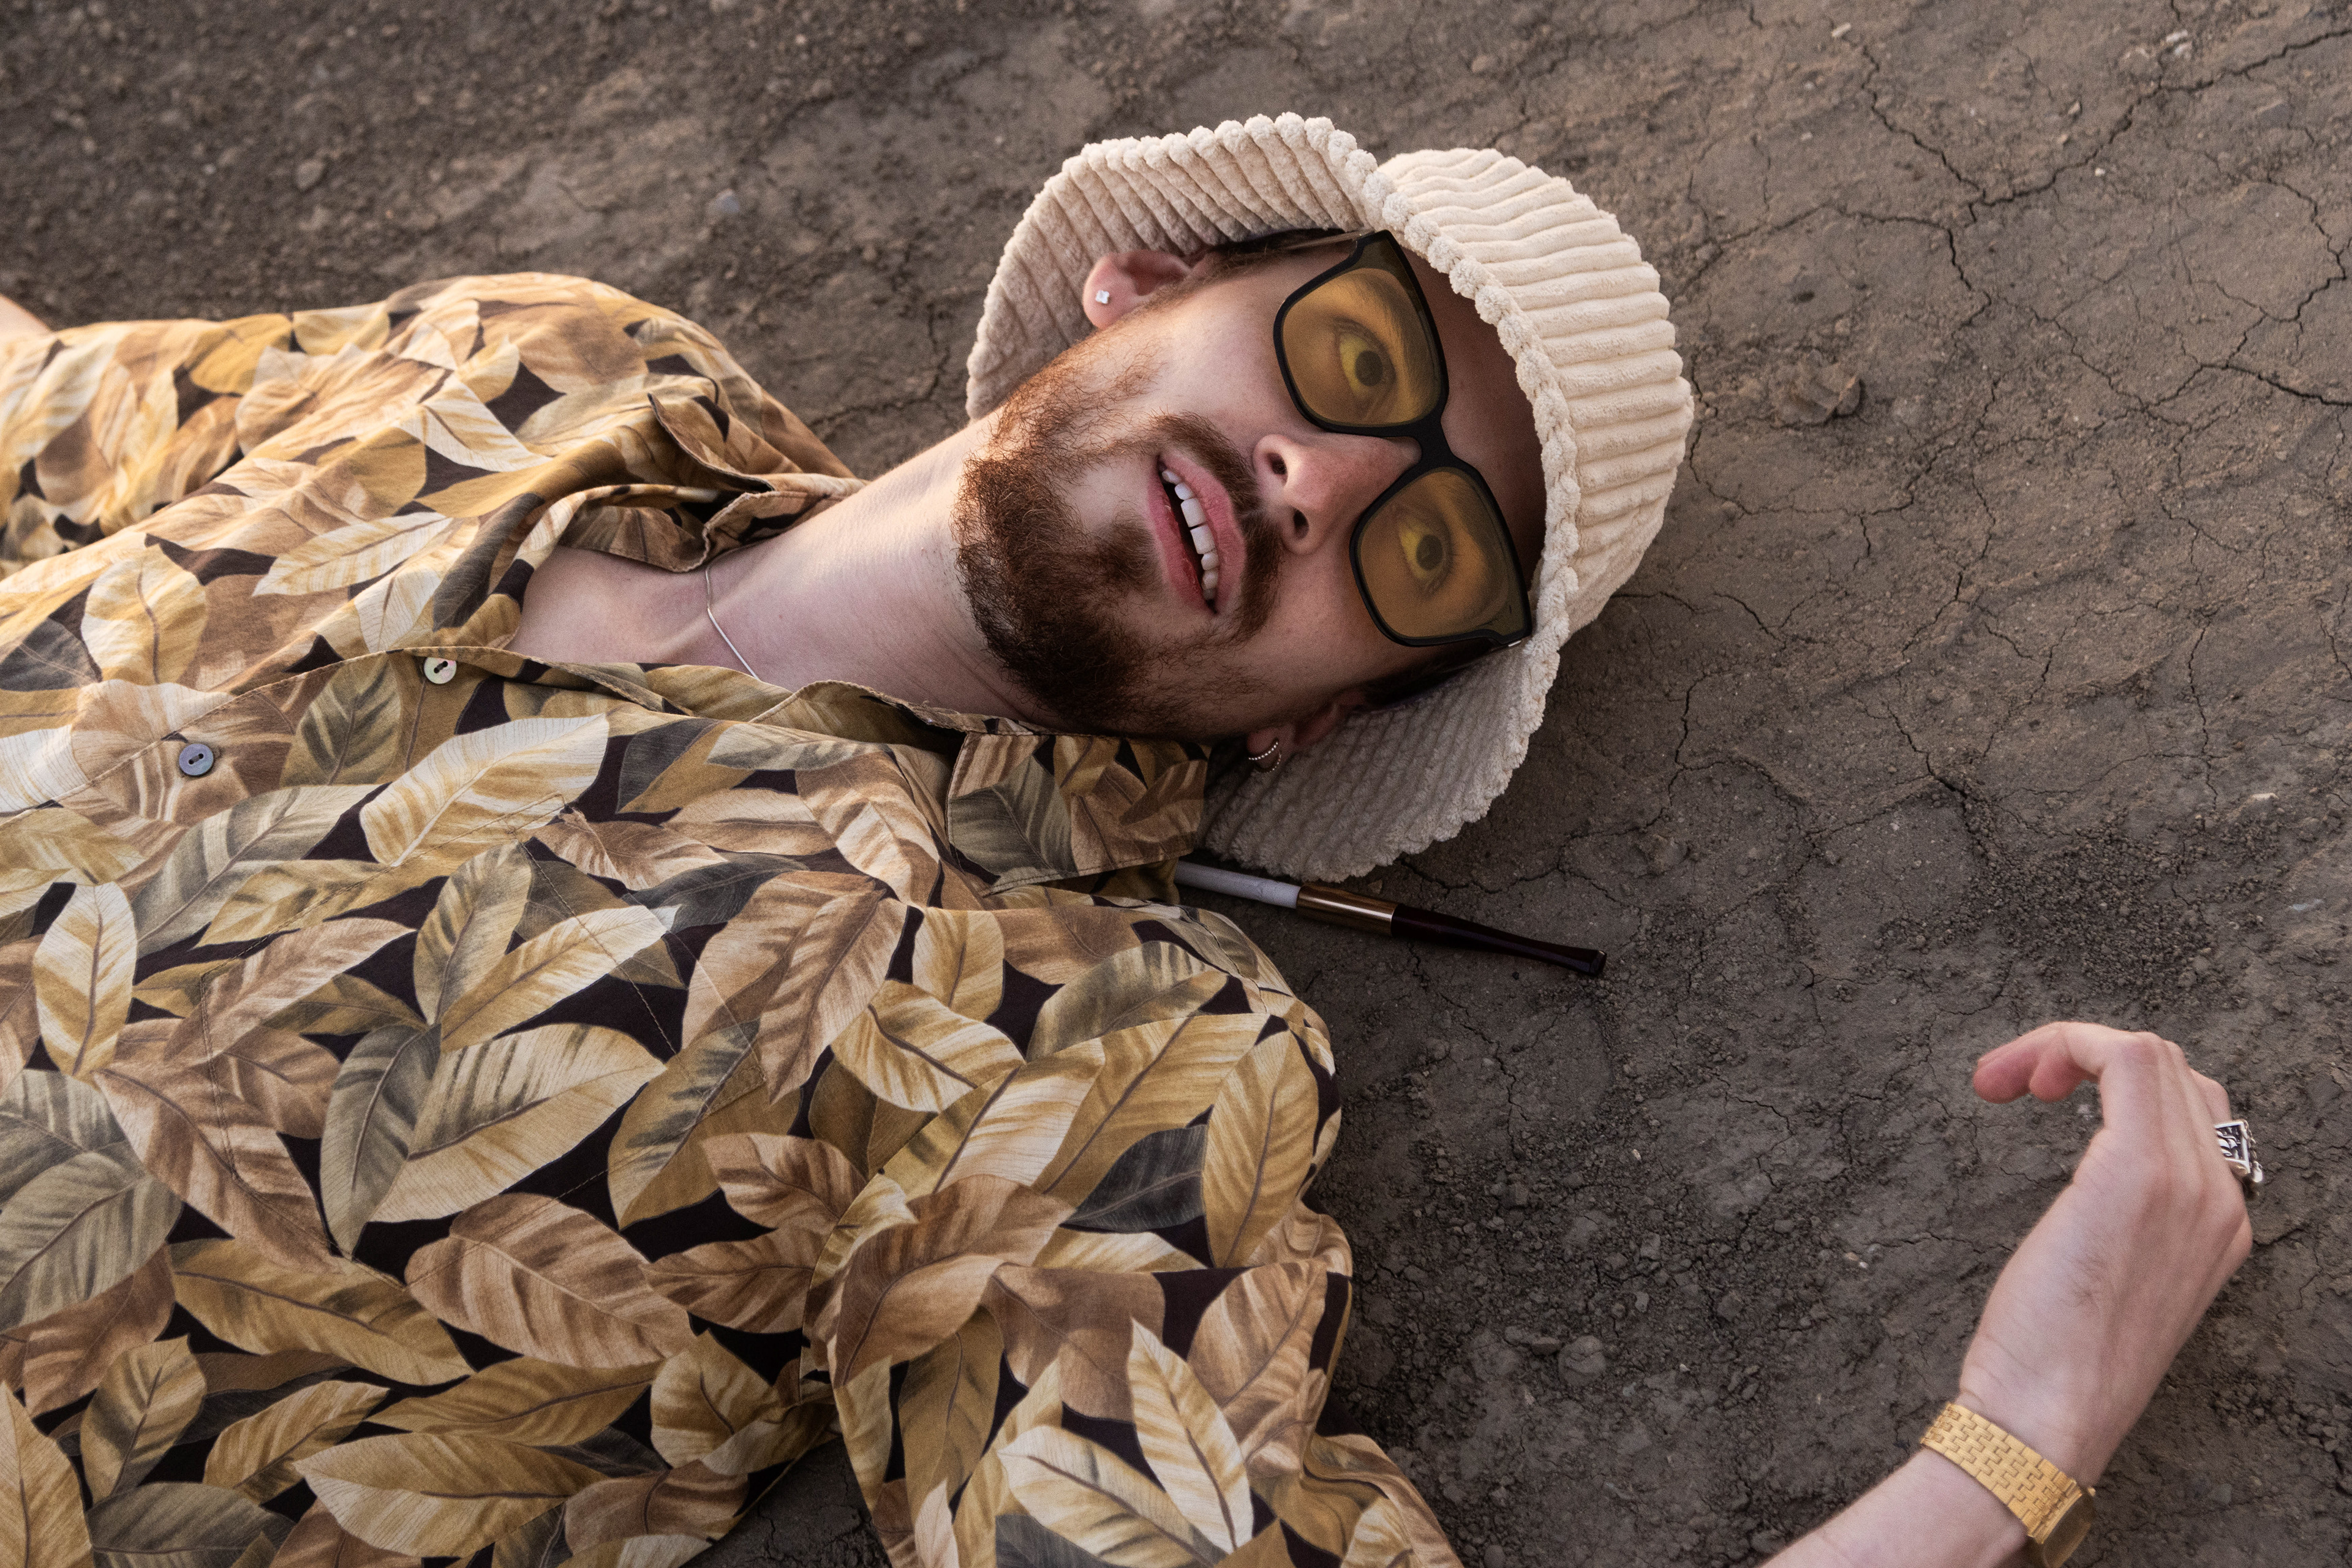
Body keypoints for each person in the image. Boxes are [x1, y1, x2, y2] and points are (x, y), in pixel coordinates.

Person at [0, 114, 2252, 1568]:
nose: (1326, 482)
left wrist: (2010, 1448)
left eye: (1429, 551)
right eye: (1348, 360)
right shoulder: (542, 369)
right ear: (1150, 278)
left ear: (1324, 712)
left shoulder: (1084, 1043)